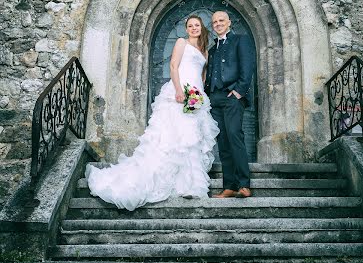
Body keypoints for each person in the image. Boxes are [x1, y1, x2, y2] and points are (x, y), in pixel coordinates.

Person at [85, 15, 219, 211]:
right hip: (180, 93)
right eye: (190, 26)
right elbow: (173, 66)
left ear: (202, 27)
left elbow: (202, 75)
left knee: (192, 139)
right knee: (175, 138)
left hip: (196, 97)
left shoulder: (205, 51)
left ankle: (190, 184)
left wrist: (199, 96)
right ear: (186, 28)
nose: (193, 28)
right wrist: (180, 91)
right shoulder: (181, 42)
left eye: (196, 25)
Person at [205, 11, 256, 198]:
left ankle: (244, 184)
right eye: (215, 22)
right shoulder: (212, 49)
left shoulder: (240, 40)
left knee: (235, 136)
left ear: (229, 22)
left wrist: (239, 91)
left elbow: (248, 67)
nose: (218, 24)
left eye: (221, 21)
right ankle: (230, 186)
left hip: (232, 96)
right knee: (223, 142)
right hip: (215, 99)